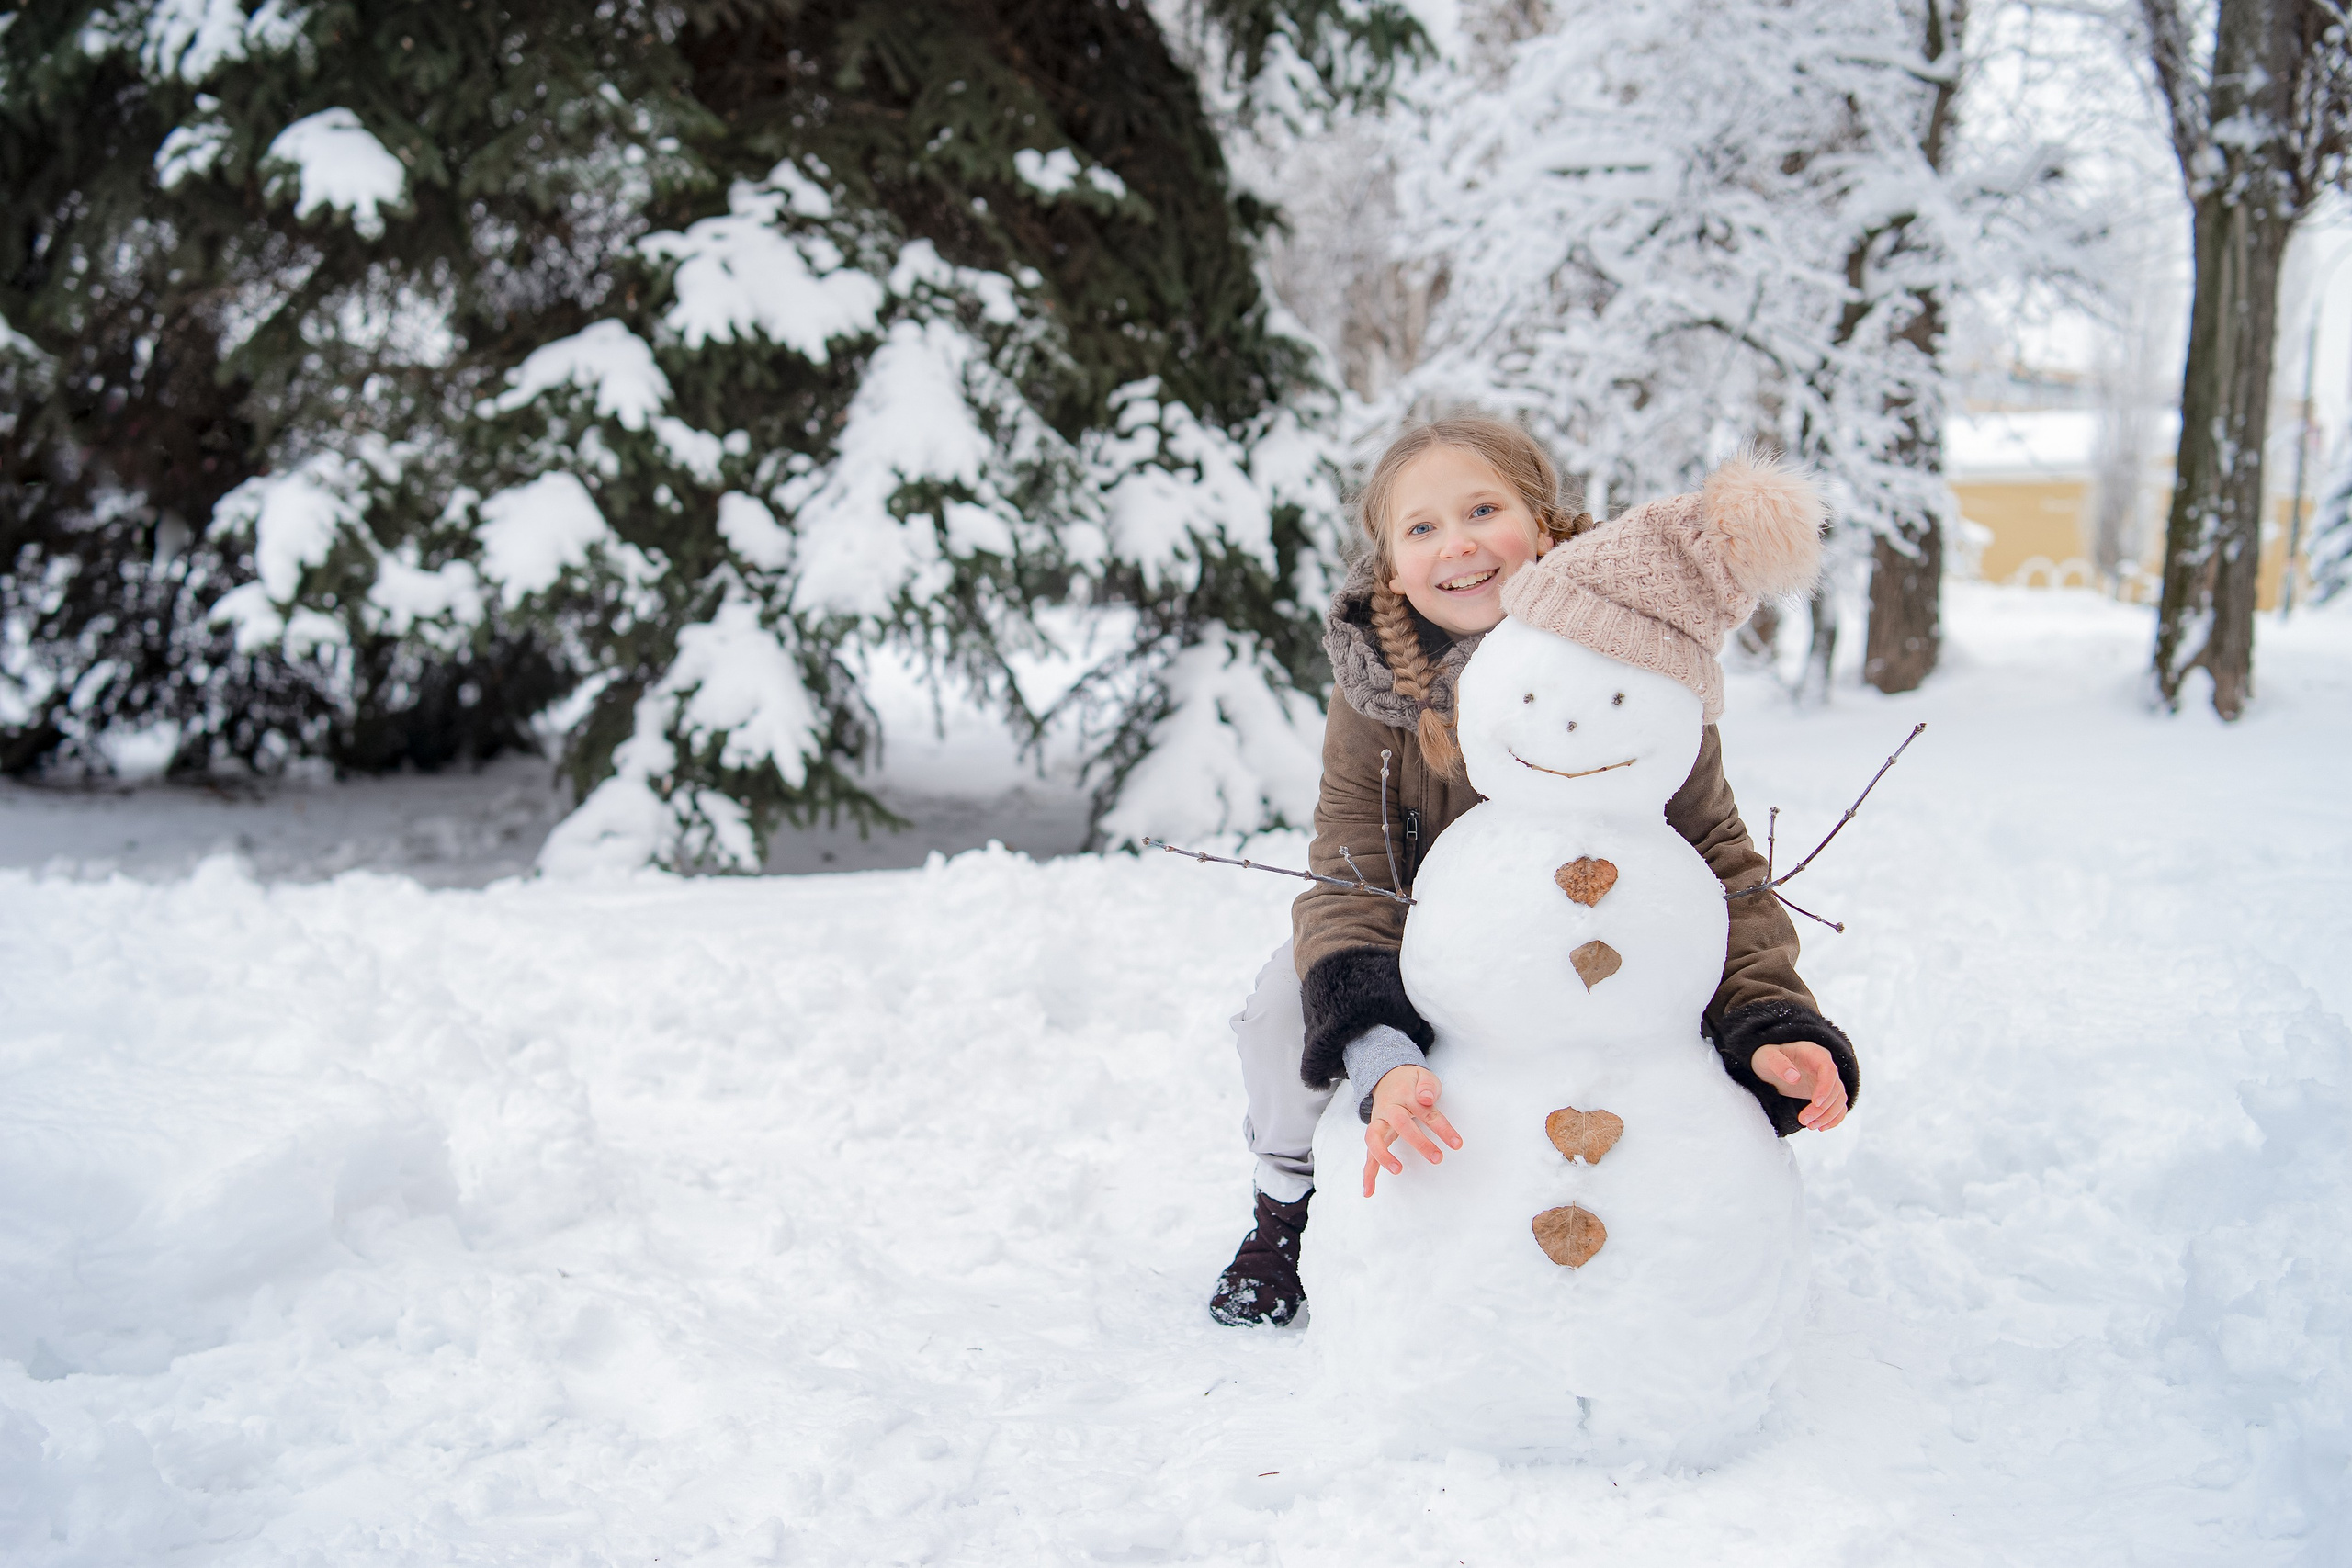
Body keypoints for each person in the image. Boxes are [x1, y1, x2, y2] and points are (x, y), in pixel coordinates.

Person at [1208, 417, 1860, 1328]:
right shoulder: (1374, 697)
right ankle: (1283, 1208)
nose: (1459, 542)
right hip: (1427, 957)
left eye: (1483, 509)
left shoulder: (1635, 657)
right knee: (1283, 1002)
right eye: (1423, 527)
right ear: (1393, 567)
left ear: (1545, 527)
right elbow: (1348, 872)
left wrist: (1769, 1019)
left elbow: (1718, 861)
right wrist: (1378, 1044)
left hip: (1606, 946)